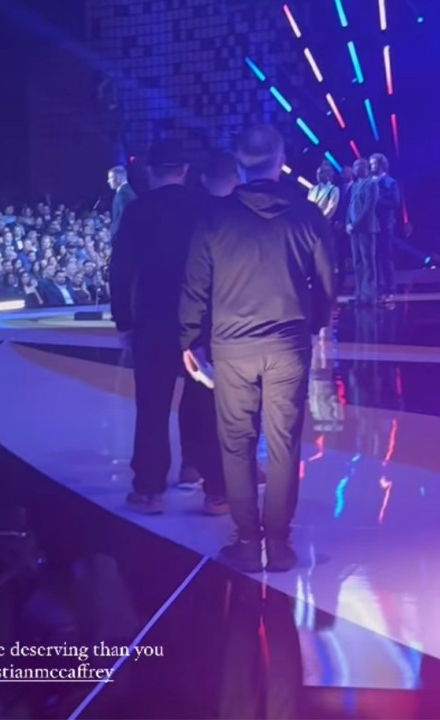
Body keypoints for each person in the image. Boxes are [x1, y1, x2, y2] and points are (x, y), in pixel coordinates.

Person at [180, 124, 335, 573]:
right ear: (280, 158)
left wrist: (189, 339)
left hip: (232, 345)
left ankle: (248, 541)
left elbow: (195, 287)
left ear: (239, 162)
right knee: (285, 444)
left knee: (237, 444)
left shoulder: (214, 218)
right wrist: (316, 324)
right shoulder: (307, 216)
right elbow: (328, 283)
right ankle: (280, 545)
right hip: (288, 341)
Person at [111, 139, 226, 516]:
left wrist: (123, 322)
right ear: (185, 171)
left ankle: (149, 490)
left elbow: (121, 270)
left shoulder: (137, 213)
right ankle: (215, 491)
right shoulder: (207, 209)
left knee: (153, 407)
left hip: (153, 324)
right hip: (201, 326)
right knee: (206, 405)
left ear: (149, 171)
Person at [178, 149, 243, 490]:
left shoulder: (188, 212)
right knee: (232, 398)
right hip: (231, 319)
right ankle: (218, 473)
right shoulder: (245, 214)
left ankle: (194, 465)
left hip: (198, 317)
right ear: (236, 176)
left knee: (196, 392)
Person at [369, 153, 401, 304]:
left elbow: (395, 202)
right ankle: (376, 287)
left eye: (374, 163)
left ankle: (390, 287)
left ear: (381, 165)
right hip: (370, 223)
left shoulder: (390, 182)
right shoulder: (368, 182)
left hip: (385, 223)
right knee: (372, 256)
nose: (371, 166)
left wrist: (377, 201)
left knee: (385, 255)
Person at [346, 158, 376, 304]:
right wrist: (348, 224)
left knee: (367, 261)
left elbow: (368, 208)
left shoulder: (371, 184)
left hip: (366, 228)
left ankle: (369, 294)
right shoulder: (355, 185)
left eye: (359, 166)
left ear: (366, 168)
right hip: (354, 230)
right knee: (357, 262)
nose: (356, 169)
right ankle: (359, 293)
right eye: (354, 166)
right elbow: (350, 207)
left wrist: (355, 224)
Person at [108, 166, 136, 244]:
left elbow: (125, 219)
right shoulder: (127, 191)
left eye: (110, 178)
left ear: (118, 178)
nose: (108, 181)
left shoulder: (124, 194)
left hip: (122, 239)